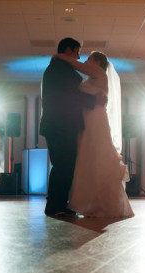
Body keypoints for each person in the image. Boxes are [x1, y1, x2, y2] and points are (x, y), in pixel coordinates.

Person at [53, 51, 134, 217]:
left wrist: (61, 56)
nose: (86, 61)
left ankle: (103, 204)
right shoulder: (91, 78)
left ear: (97, 61)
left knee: (98, 157)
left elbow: (79, 66)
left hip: (95, 121)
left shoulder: (98, 73)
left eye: (89, 58)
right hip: (86, 122)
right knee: (88, 159)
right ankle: (91, 203)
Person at [39, 37, 106, 217]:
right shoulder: (62, 69)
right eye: (77, 51)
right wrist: (95, 100)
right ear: (68, 50)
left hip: (58, 124)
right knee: (63, 165)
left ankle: (59, 203)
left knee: (63, 164)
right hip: (61, 124)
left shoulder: (57, 67)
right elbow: (69, 96)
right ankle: (55, 205)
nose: (78, 55)